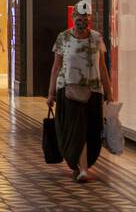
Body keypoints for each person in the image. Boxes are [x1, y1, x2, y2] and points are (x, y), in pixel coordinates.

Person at [46, 12, 114, 183]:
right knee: (77, 129)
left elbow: (102, 67)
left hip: (93, 90)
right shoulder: (63, 38)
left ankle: (82, 165)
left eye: (85, 19)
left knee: (91, 128)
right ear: (73, 19)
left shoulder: (96, 38)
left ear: (89, 21)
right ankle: (82, 168)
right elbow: (56, 66)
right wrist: (51, 92)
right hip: (69, 90)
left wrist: (109, 90)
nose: (81, 22)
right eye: (78, 19)